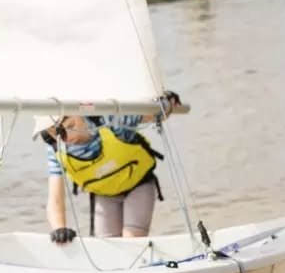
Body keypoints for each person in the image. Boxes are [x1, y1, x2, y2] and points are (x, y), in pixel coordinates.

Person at [35, 95, 180, 242]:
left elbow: (152, 114)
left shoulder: (108, 119)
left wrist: (166, 103)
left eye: (71, 126)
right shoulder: (56, 149)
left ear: (79, 113)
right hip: (104, 196)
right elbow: (55, 198)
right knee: (108, 248)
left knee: (131, 241)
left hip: (138, 185)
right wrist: (59, 228)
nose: (66, 138)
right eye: (55, 134)